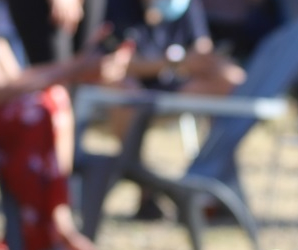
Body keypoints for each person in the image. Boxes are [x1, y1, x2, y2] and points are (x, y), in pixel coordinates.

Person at [0, 0, 132, 250]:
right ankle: (46, 243)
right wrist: (78, 67)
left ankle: (58, 230)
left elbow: (15, 78)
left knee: (51, 100)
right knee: (39, 112)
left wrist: (81, 67)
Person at [101, 0, 247, 219]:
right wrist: (172, 63)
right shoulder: (118, 7)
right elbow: (114, 63)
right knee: (124, 92)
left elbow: (202, 52)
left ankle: (210, 179)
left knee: (231, 78)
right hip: (131, 89)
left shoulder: (184, 6)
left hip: (176, 86)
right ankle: (145, 187)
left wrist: (193, 62)